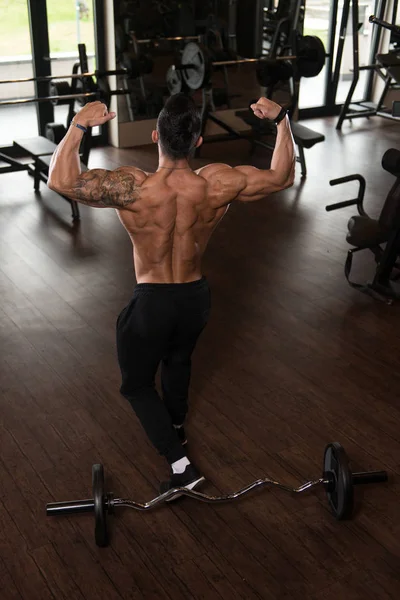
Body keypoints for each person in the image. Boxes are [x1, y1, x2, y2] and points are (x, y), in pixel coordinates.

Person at [48, 93, 296, 494]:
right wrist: (283, 120)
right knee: (178, 359)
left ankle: (180, 464)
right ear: (197, 142)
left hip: (152, 301)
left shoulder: (135, 188)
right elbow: (283, 176)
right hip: (195, 298)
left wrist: (79, 124)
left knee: (136, 385)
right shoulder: (218, 183)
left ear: (154, 136)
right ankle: (176, 426)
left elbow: (60, 180)